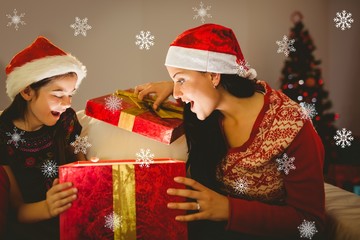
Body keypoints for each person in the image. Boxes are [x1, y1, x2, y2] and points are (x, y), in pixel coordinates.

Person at [135, 24, 325, 240]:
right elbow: (202, 86)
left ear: (214, 76)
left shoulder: (292, 126)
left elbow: (311, 225)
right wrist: (173, 85)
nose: (177, 94)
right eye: (174, 81)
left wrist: (228, 209)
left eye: (181, 80)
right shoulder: (207, 111)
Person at [0, 36, 87, 240]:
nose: (66, 103)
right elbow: (17, 210)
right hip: (31, 227)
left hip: (74, 221)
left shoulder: (67, 120)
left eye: (71, 94)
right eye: (58, 95)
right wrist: (48, 207)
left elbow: (83, 166)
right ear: (27, 90)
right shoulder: (3, 135)